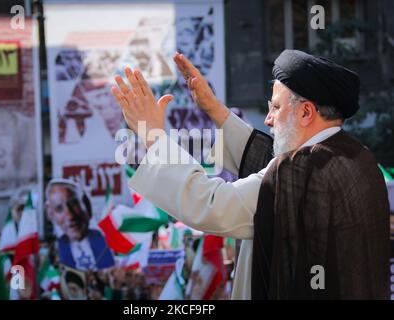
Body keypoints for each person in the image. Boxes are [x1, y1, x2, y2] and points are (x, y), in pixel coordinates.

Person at [110, 50, 391, 299]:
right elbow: (271, 171)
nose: (268, 118)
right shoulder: (355, 156)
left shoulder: (303, 171)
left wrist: (153, 137)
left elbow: (212, 206)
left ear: (306, 112)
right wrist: (215, 110)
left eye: (276, 107)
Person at [45, 178, 115, 271]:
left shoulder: (106, 242)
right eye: (59, 209)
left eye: (74, 204)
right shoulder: (56, 250)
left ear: (87, 206)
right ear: (51, 214)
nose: (70, 216)